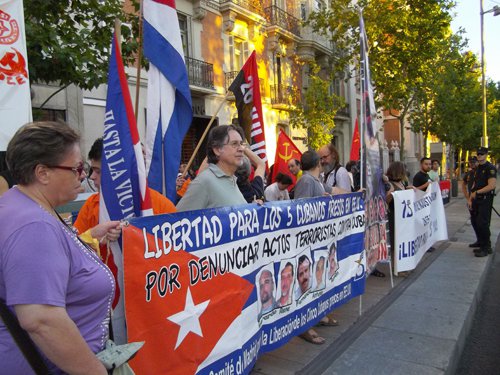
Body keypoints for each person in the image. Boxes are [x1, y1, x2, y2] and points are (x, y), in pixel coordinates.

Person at [0, 121, 111, 374]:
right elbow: (41, 319)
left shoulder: (19, 205)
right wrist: (94, 371)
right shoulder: (33, 225)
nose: (83, 175)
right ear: (43, 173)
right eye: (77, 168)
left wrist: (90, 237)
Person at [74, 138, 176, 261]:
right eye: (92, 170)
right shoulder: (92, 204)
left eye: (98, 171)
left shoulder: (162, 206)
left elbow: (176, 256)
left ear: (121, 173)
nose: (92, 177)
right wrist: (92, 237)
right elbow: (73, 251)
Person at [177, 125, 247, 211]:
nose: (241, 149)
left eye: (241, 144)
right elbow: (180, 220)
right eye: (234, 144)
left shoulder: (231, 179)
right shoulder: (203, 181)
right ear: (217, 150)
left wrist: (254, 209)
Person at [469, 147, 497, 257]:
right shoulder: (478, 168)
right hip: (476, 199)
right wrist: (471, 197)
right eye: (478, 154)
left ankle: (486, 247)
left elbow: (492, 185)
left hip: (485, 199)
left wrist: (478, 192)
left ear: (486, 155)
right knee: (475, 221)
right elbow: (475, 184)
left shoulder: (490, 168)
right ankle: (480, 242)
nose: (479, 156)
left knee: (483, 223)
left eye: (481, 154)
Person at [385, 161, 412, 256]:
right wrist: (392, 194)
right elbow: (386, 201)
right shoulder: (390, 184)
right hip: (393, 216)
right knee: (394, 242)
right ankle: (394, 267)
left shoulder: (402, 183)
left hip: (402, 217)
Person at [462, 156, 479, 247]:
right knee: (474, 220)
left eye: (474, 162)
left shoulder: (480, 172)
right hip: (471, 201)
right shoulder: (468, 173)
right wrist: (467, 197)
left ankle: (483, 241)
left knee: (480, 221)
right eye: (471, 162)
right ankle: (478, 239)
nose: (472, 164)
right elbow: (463, 185)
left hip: (480, 200)